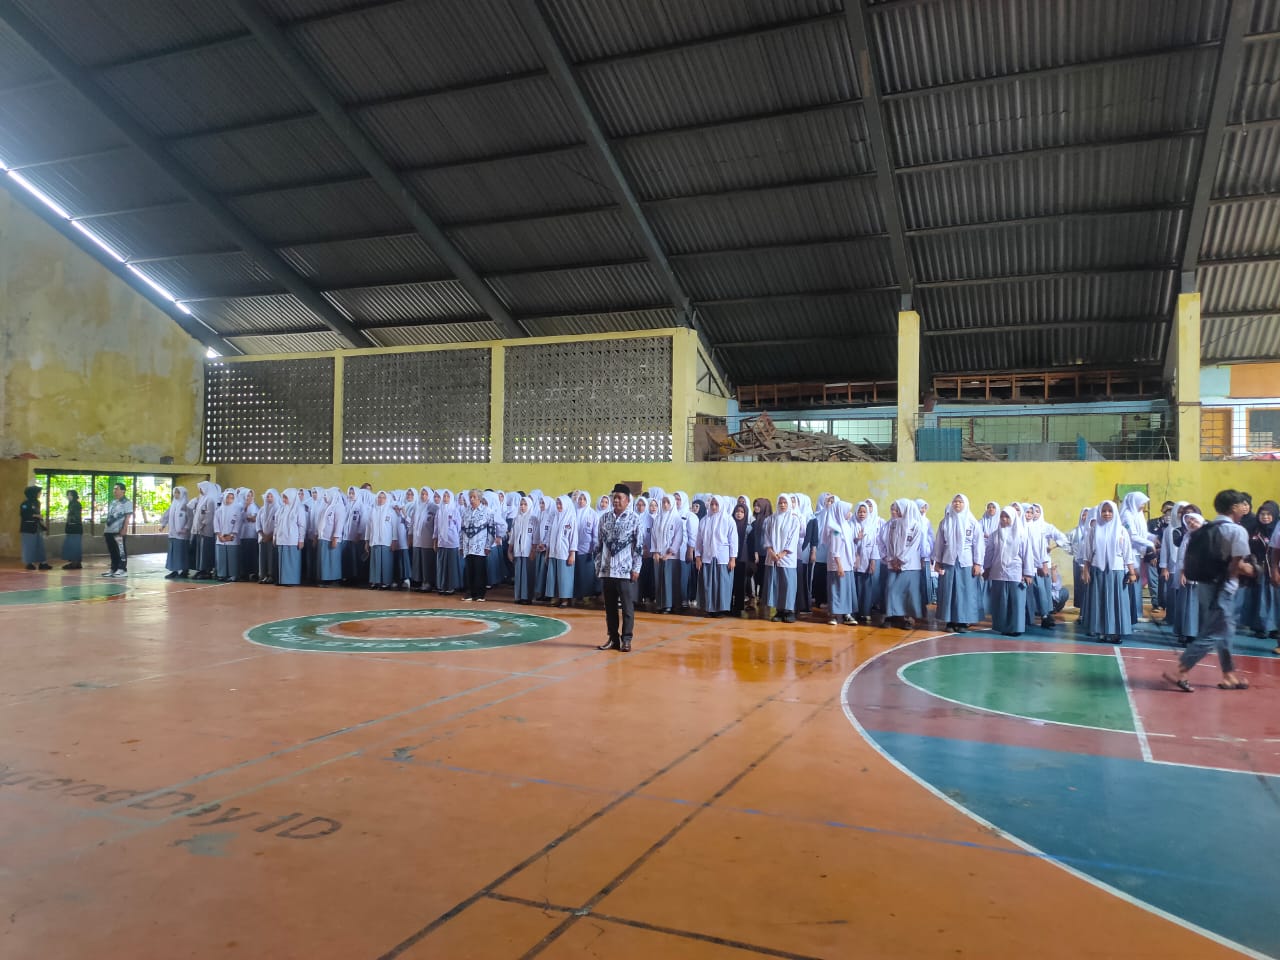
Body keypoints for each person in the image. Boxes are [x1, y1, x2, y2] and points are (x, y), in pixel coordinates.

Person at [1164, 489, 1253, 691]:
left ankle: (1228, 675)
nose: (1245, 507)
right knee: (1213, 632)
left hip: (1205, 585)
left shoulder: (1208, 527)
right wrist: (1251, 570)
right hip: (1223, 588)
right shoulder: (1237, 531)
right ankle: (1180, 670)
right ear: (1234, 507)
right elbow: (1235, 566)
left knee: (1226, 630)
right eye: (1242, 504)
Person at [594, 483, 643, 652]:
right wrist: (598, 566)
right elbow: (598, 544)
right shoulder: (604, 518)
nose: (616, 500)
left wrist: (636, 568)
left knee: (627, 607)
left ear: (628, 500)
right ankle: (613, 638)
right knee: (610, 608)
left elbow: (638, 546)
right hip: (607, 570)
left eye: (619, 498)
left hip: (625, 571)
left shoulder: (634, 519)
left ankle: (626, 639)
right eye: (614, 497)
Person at [1080, 500, 1136, 644]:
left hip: (1116, 572)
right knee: (1099, 602)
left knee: (1116, 603)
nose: (1107, 513)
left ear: (1115, 512)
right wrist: (1085, 570)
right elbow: (1087, 553)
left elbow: (1127, 553)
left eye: (1110, 511)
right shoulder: (1094, 530)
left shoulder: (1121, 530)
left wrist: (1132, 572)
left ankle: (1115, 633)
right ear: (1099, 512)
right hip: (1097, 570)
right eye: (1104, 511)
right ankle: (1101, 631)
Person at [934, 493, 982, 632]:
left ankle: (962, 621)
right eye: (955, 501)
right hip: (948, 561)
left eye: (960, 502)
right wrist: (937, 561)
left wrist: (977, 563)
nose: (957, 504)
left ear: (965, 504)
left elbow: (978, 544)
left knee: (964, 592)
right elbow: (939, 543)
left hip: (966, 562)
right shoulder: (945, 522)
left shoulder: (972, 522)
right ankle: (949, 621)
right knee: (948, 592)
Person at [984, 506, 1034, 636]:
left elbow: (1027, 554)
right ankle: (1002, 627)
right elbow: (989, 553)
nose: (1004, 519)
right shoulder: (995, 534)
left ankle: (1016, 628)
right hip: (998, 571)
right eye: (1002, 516)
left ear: (1013, 518)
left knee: (1016, 601)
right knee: (1001, 601)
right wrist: (987, 568)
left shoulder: (1021, 534)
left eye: (1007, 517)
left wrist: (1028, 573)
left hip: (1015, 572)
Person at [695, 494, 737, 618]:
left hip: (722, 558)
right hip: (707, 556)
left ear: (721, 505)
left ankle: (720, 609)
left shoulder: (728, 520)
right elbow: (699, 540)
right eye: (712, 504)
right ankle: (709, 608)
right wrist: (698, 557)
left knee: (721, 583)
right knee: (708, 583)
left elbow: (733, 541)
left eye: (716, 504)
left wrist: (732, 558)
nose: (713, 507)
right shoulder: (704, 520)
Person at [766, 493, 801, 623]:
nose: (782, 505)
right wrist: (771, 551)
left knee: (788, 584)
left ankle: (789, 611)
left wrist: (783, 553)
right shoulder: (771, 519)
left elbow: (793, 539)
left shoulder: (794, 520)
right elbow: (767, 536)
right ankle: (779, 611)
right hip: (774, 557)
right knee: (777, 584)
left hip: (787, 558)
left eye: (785, 502)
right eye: (780, 502)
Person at [824, 498, 858, 626]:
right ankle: (833, 614)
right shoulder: (836, 530)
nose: (850, 513)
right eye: (847, 511)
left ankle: (846, 614)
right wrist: (839, 566)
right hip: (838, 565)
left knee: (846, 590)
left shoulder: (846, 526)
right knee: (836, 590)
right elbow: (835, 551)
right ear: (840, 512)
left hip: (847, 564)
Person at [102, 482, 132, 578]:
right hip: (109, 530)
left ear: (123, 491)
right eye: (114, 489)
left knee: (120, 550)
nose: (114, 491)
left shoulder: (127, 503)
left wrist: (124, 529)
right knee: (112, 550)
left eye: (117, 489)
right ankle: (113, 568)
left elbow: (128, 517)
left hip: (118, 531)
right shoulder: (113, 502)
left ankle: (122, 569)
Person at [159, 486, 190, 579]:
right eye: (175, 493)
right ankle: (174, 570)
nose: (176, 495)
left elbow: (190, 518)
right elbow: (167, 515)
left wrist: (186, 528)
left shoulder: (186, 505)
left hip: (182, 534)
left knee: (182, 552)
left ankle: (184, 571)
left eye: (178, 493)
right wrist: (163, 525)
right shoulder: (173, 504)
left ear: (182, 494)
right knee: (173, 552)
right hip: (173, 533)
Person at [19, 485, 51, 571]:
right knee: (29, 546)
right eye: (39, 492)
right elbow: (23, 515)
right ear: (33, 493)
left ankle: (42, 563)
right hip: (28, 528)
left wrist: (42, 523)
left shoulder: (37, 502)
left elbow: (38, 514)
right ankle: (30, 563)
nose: (40, 494)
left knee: (40, 545)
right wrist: (35, 515)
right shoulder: (25, 504)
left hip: (37, 527)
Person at [61, 489, 84, 570]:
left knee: (74, 546)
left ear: (74, 496)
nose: (68, 496)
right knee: (73, 545)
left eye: (70, 495)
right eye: (67, 495)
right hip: (73, 528)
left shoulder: (75, 504)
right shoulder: (72, 504)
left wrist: (70, 520)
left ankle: (74, 563)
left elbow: (76, 517)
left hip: (75, 528)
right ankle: (77, 563)